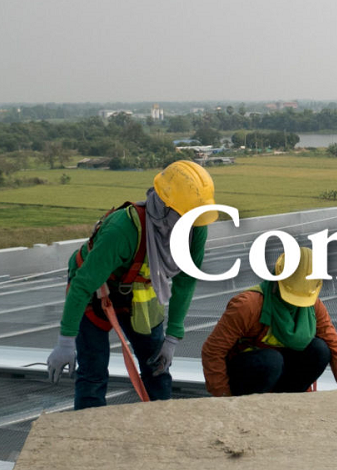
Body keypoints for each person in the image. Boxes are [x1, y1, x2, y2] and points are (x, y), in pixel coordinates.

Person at [45, 159, 215, 409]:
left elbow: (186, 281)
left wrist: (173, 338)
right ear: (166, 206)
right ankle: (89, 441)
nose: (192, 222)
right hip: (94, 292)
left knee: (156, 368)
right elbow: (82, 285)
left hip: (139, 294)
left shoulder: (195, 229)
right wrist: (66, 341)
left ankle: (160, 429)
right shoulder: (123, 230)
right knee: (93, 373)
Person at [200, 247, 337, 398]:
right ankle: (251, 407)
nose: (296, 304)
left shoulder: (313, 306)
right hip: (248, 374)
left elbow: (334, 345)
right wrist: (224, 396)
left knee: (319, 349)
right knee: (271, 360)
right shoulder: (248, 305)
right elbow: (213, 350)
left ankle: (285, 403)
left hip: (279, 373)